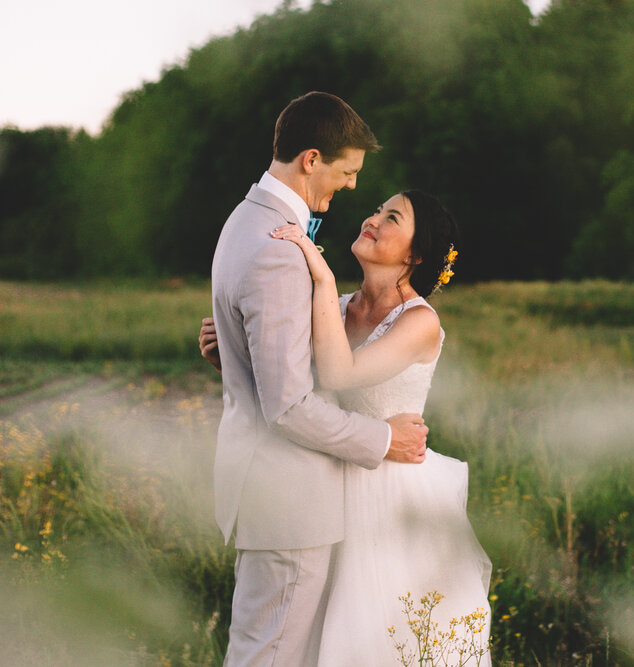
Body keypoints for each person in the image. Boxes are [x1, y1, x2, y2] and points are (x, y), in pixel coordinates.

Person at [204, 189, 492, 664]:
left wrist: (318, 274)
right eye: (378, 209)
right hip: (328, 484)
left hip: (394, 498)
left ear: (414, 255)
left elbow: (338, 375)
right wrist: (232, 354)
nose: (373, 218)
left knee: (382, 638)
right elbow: (294, 392)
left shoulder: (419, 322)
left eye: (391, 217)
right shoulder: (336, 307)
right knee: (311, 638)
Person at [206, 91, 429, 667]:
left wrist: (231, 354)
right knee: (271, 657)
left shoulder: (245, 220)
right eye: (348, 171)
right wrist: (385, 440)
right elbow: (290, 406)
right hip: (290, 495)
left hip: (279, 490)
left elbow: (278, 366)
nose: (354, 188)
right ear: (311, 159)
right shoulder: (280, 249)